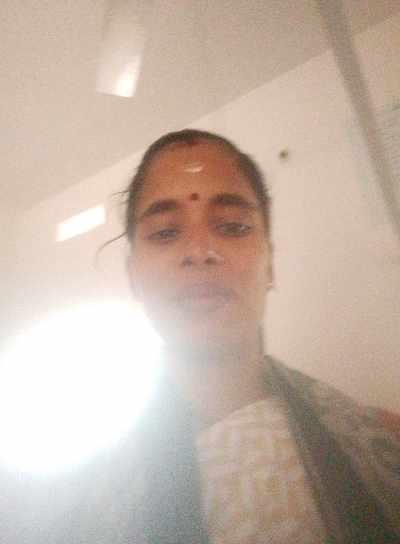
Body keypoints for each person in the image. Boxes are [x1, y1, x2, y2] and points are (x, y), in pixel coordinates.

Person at [73, 129, 400, 544]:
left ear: (270, 264)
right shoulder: (82, 494)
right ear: (134, 275)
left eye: (232, 226)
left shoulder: (372, 444)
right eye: (166, 233)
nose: (200, 251)